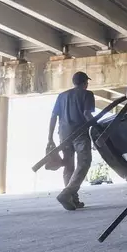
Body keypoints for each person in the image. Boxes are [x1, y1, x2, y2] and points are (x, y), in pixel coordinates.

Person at [47, 71, 95, 211]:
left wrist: (49, 137)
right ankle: (67, 193)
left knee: (68, 166)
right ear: (85, 83)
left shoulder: (61, 96)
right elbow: (87, 114)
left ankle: (73, 200)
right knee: (84, 163)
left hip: (64, 135)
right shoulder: (87, 94)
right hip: (80, 134)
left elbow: (53, 117)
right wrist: (96, 129)